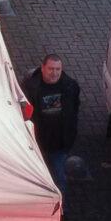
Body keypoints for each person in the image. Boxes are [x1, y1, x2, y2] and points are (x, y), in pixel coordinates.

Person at [20, 54, 82, 193]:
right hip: (36, 143)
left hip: (59, 145)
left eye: (57, 69)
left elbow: (74, 109)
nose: (54, 73)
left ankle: (60, 211)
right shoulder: (31, 87)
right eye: (51, 69)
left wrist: (70, 135)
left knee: (59, 178)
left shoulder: (70, 86)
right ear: (42, 68)